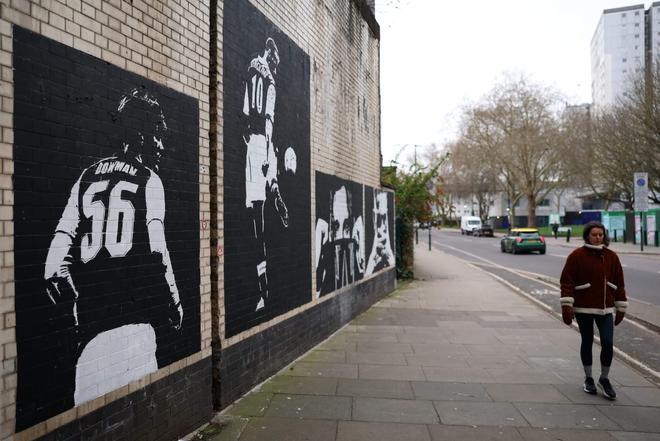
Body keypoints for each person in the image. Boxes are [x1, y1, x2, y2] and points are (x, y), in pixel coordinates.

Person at [43, 87, 183, 403]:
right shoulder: (149, 180)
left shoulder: (86, 177)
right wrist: (174, 301)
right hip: (136, 326)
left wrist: (67, 292)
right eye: (157, 136)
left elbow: (57, 255)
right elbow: (158, 251)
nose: (161, 145)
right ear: (140, 135)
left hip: (90, 339)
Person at [242, 37, 289, 311]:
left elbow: (245, 109)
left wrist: (248, 141)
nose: (276, 67)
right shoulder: (271, 82)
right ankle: (274, 185)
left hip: (252, 143)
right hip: (264, 143)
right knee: (259, 215)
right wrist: (267, 154)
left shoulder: (250, 67)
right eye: (275, 62)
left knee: (255, 221)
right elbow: (269, 121)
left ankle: (263, 290)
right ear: (270, 55)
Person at [560, 221, 627, 400]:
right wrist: (567, 305)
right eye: (594, 235)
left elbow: (619, 282)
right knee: (587, 340)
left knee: (607, 342)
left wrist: (621, 305)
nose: (598, 238)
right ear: (587, 236)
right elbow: (566, 281)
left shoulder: (612, 256)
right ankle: (588, 378)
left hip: (605, 308)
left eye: (600, 235)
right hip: (584, 306)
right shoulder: (576, 255)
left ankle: (604, 379)